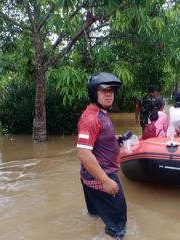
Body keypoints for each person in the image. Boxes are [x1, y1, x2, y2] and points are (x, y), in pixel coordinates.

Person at [77, 72, 127, 239]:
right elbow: (83, 153)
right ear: (93, 92)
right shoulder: (91, 118)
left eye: (111, 91)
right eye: (103, 90)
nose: (108, 94)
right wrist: (106, 181)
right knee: (118, 226)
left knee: (95, 216)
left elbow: (95, 140)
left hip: (89, 175)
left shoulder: (100, 114)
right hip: (102, 176)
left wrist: (113, 139)